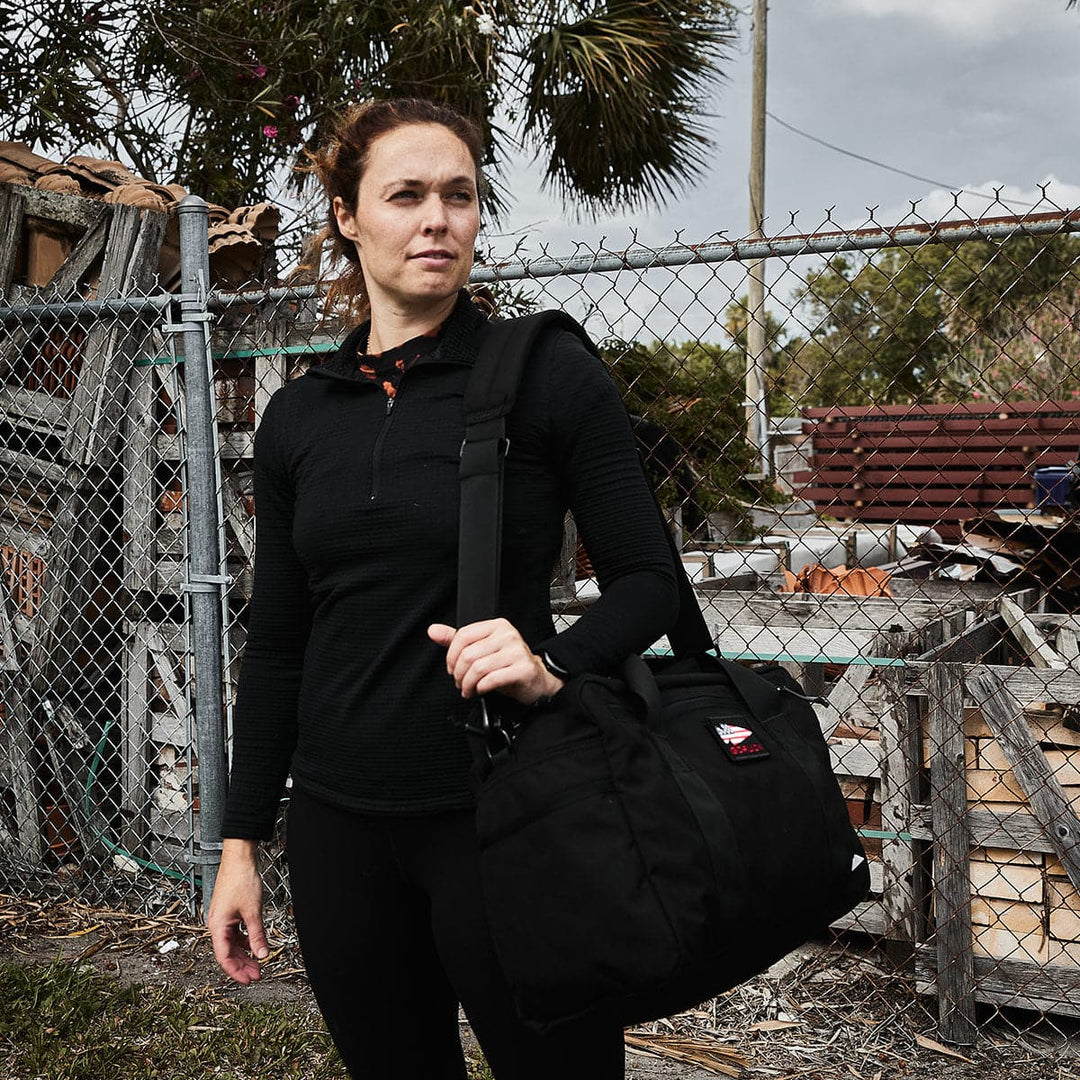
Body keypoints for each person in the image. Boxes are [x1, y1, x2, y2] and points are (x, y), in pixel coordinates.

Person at [207, 97, 680, 1080]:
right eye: (407, 194)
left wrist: (554, 663)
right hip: (339, 833)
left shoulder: (545, 372)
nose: (438, 219)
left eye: (459, 196)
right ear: (346, 215)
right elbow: (281, 642)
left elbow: (650, 584)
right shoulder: (299, 414)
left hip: (509, 816)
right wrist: (242, 843)